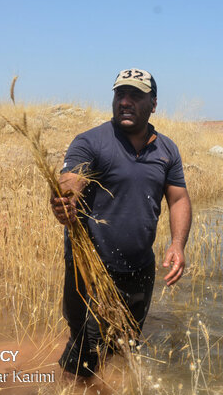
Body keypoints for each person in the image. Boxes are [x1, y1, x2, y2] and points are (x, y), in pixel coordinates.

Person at [50, 68, 192, 378]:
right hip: (90, 271)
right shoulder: (92, 141)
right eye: (120, 94)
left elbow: (179, 199)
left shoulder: (166, 150)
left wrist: (178, 245)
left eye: (135, 96)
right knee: (83, 359)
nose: (125, 102)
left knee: (124, 344)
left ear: (153, 104)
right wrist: (64, 200)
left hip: (140, 270)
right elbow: (70, 180)